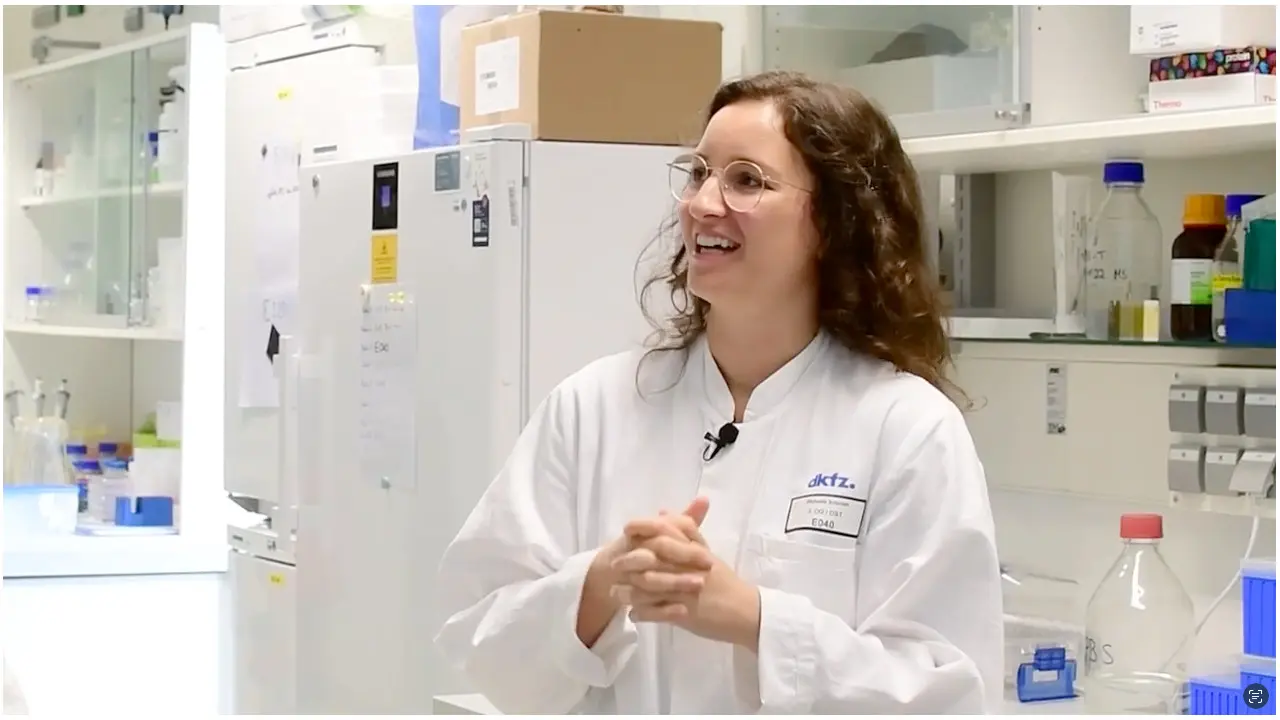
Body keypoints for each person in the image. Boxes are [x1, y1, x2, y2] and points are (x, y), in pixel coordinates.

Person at [434, 70, 1003, 714]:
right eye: (698, 172)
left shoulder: (906, 427)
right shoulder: (592, 407)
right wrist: (601, 584)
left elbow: (947, 695)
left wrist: (755, 620)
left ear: (837, 222)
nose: (703, 202)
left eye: (746, 180)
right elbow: (479, 639)